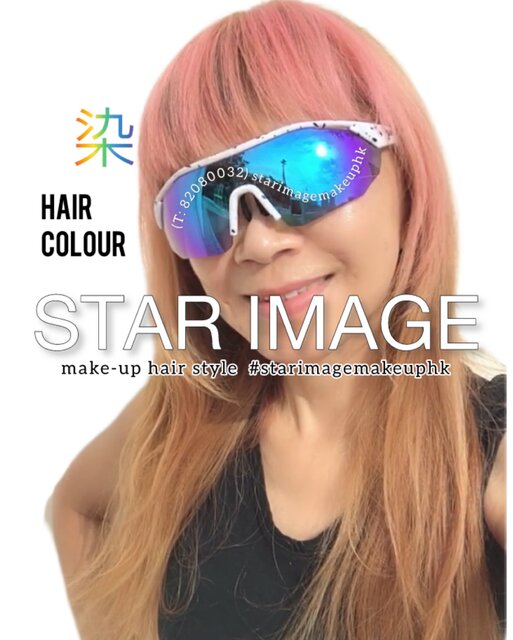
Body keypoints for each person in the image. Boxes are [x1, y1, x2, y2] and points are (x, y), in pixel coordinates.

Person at [48, 1, 506, 638]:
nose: (257, 244)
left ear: (408, 176)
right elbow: (74, 509)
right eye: (203, 204)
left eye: (307, 168)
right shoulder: (186, 418)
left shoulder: (487, 449)